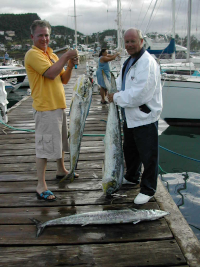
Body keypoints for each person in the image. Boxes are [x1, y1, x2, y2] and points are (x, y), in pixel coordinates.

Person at [24, 20, 79, 201]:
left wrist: (69, 64)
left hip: (58, 106)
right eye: (40, 35)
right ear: (33, 37)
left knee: (61, 141)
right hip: (45, 108)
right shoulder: (33, 54)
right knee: (45, 147)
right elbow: (50, 73)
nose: (44, 38)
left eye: (47, 35)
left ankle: (61, 169)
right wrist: (66, 56)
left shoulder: (52, 55)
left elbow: (63, 79)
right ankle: (41, 185)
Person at [107, 28, 163, 205]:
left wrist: (115, 97)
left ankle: (148, 189)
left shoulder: (147, 62)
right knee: (130, 150)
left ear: (141, 41)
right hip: (129, 116)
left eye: (133, 41)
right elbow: (122, 82)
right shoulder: (130, 60)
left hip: (144, 117)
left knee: (148, 155)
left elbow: (140, 95)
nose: (130, 45)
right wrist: (115, 90)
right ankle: (132, 177)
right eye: (127, 42)